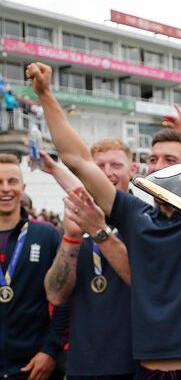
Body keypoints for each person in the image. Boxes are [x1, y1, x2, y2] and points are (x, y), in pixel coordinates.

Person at [28, 62, 181, 379]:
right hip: (146, 371)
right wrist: (46, 95)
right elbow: (78, 161)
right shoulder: (135, 216)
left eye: (170, 159)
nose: (157, 166)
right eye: (152, 159)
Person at [42, 144, 135, 379]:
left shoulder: (145, 220)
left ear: (132, 169)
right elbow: (56, 295)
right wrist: (71, 238)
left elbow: (147, 285)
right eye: (99, 167)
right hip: (83, 365)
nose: (107, 172)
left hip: (135, 362)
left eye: (116, 165)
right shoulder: (76, 224)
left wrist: (99, 230)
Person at [0, 153, 61, 380]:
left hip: (33, 367)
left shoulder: (46, 236)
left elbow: (65, 300)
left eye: (12, 181)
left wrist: (50, 350)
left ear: (23, 186)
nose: (5, 189)